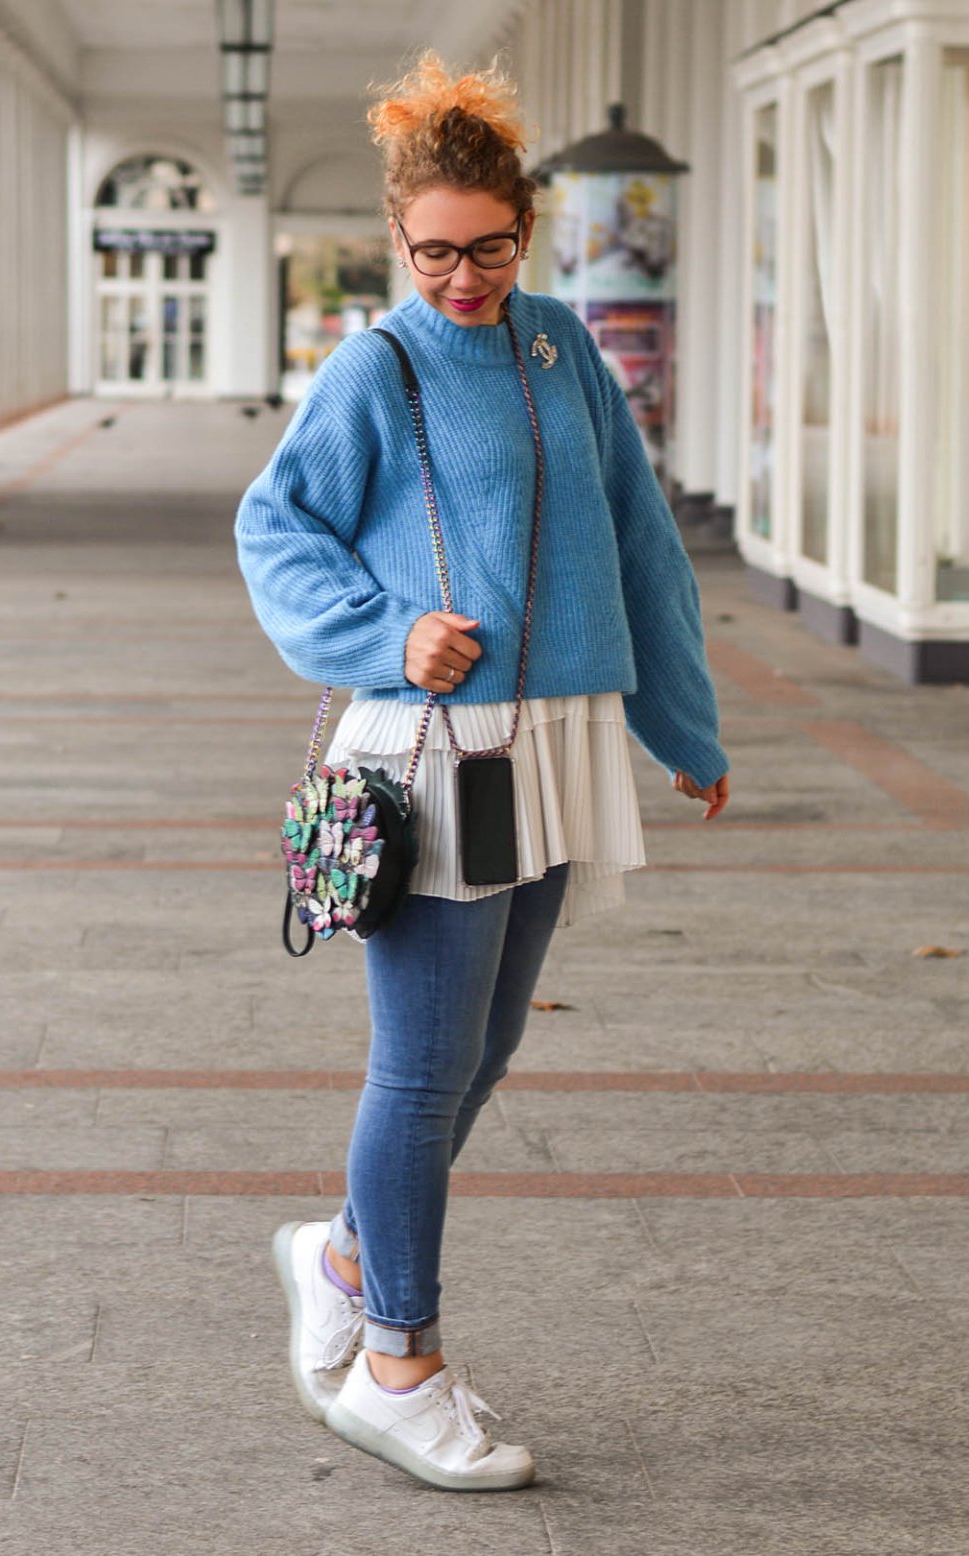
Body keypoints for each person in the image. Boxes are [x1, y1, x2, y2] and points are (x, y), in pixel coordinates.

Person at [235, 52, 730, 1492]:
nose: (463, 276)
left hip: (559, 745)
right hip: (435, 760)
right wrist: (386, 635)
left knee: (490, 1051)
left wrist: (683, 728)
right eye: (435, 251)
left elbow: (641, 543)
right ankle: (397, 1362)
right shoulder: (375, 366)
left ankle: (337, 1254)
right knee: (422, 1067)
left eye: (490, 246)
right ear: (398, 239)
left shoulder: (562, 346)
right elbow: (278, 527)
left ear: (530, 227)